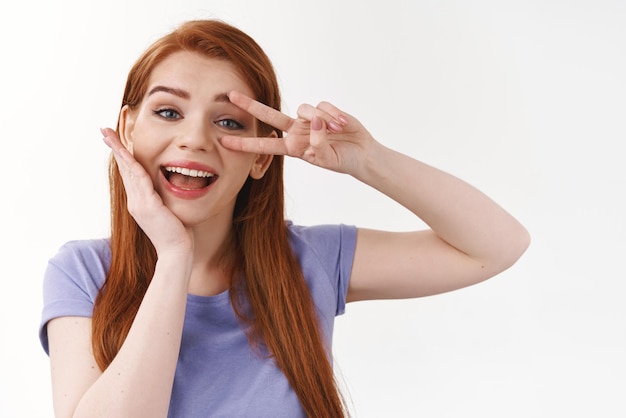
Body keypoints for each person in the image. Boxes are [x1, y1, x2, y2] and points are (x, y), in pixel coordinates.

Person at [39, 19, 530, 418]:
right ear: (127, 128)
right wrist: (174, 256)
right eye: (168, 112)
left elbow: (497, 245)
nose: (194, 138)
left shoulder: (310, 260)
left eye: (227, 121)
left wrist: (367, 160)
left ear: (260, 158)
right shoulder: (82, 273)